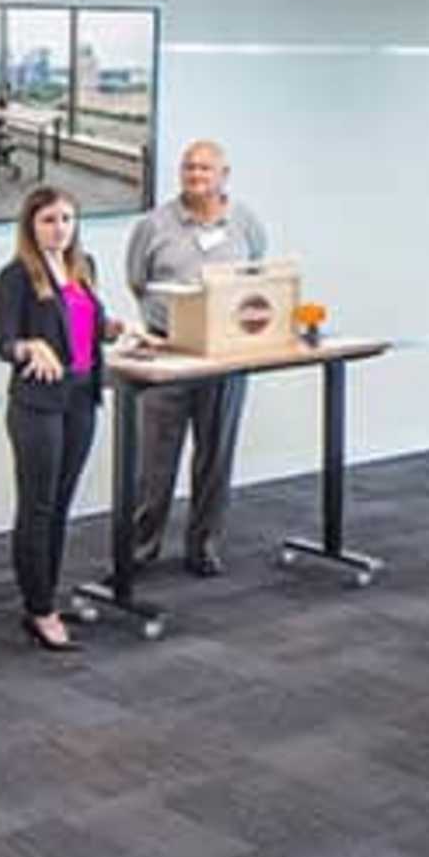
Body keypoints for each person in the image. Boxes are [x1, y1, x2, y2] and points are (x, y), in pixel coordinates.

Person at [0, 183, 140, 652]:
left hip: (81, 397)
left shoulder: (83, 268)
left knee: (61, 505)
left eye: (67, 220)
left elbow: (89, 327)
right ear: (31, 226)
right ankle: (38, 609)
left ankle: (47, 596)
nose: (59, 229)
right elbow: (4, 343)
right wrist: (28, 346)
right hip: (37, 404)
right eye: (49, 220)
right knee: (37, 506)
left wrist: (113, 328)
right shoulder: (16, 276)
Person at [121, 138, 273, 578]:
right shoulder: (154, 225)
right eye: (189, 168)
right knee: (154, 461)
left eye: (206, 169)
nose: (195, 176)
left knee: (216, 456)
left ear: (225, 175)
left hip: (225, 356)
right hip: (168, 353)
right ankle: (141, 548)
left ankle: (204, 545)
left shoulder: (244, 221)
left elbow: (256, 273)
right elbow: (137, 280)